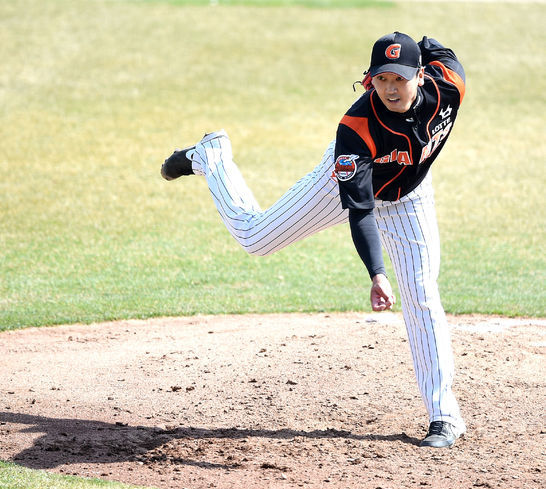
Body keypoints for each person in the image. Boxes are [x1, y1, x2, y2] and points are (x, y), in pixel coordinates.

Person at [160, 32, 466, 448]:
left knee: (421, 292)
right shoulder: (356, 129)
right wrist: (377, 273)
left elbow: (435, 48)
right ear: (370, 79)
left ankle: (444, 417)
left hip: (409, 195)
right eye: (381, 79)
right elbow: (361, 211)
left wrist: (422, 43)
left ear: (421, 75)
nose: (390, 88)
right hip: (342, 186)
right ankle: (212, 157)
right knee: (255, 237)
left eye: (399, 78)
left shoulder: (449, 86)